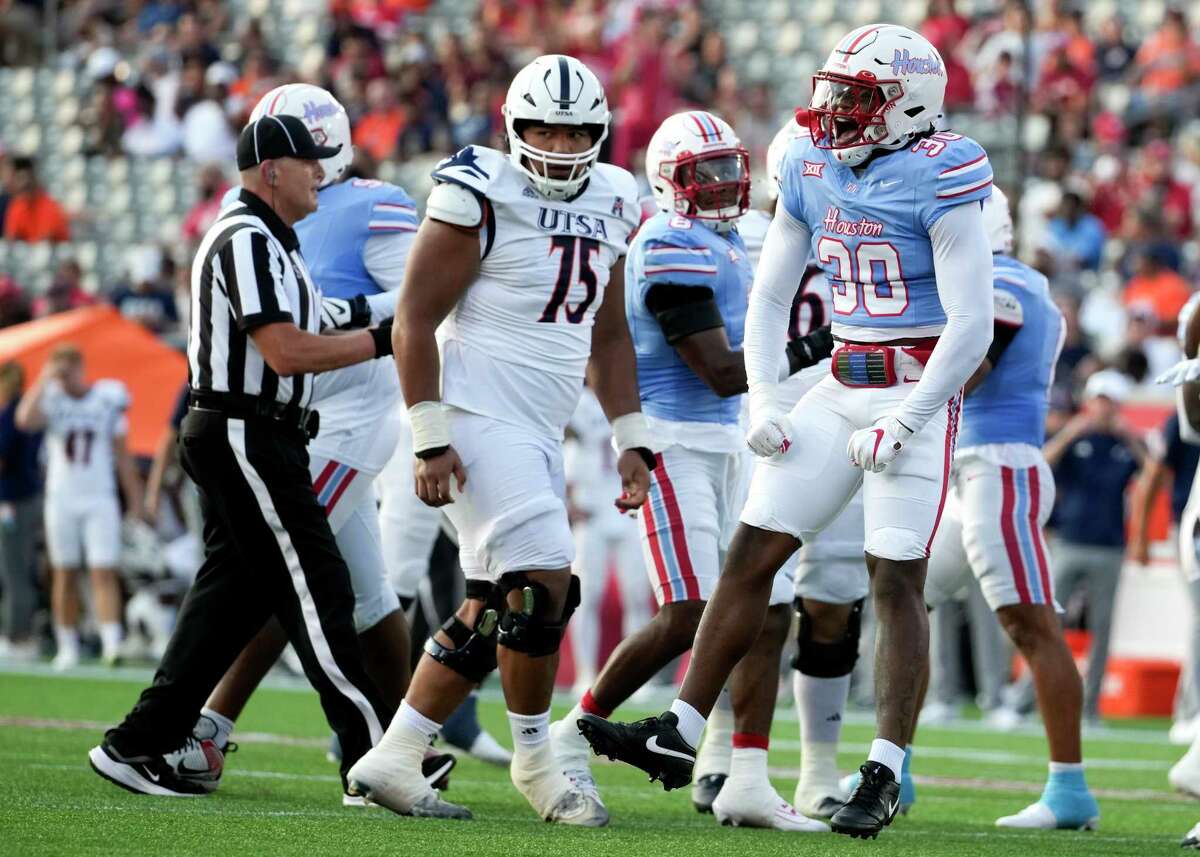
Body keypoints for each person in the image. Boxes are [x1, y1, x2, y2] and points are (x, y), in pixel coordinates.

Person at [577, 24, 995, 841]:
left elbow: (972, 325)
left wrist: (909, 419)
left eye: (856, 97)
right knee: (752, 554)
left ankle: (881, 770)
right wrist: (765, 400)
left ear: (908, 104)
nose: (834, 110)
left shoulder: (943, 173)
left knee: (894, 577)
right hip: (839, 383)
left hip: (916, 388)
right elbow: (770, 298)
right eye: (834, 91)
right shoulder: (809, 163)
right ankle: (682, 729)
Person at [345, 54, 651, 825]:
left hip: (541, 425)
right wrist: (428, 435)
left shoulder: (616, 197)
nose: (557, 141)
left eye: (575, 128)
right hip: (475, 413)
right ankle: (538, 760)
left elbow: (609, 336)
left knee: (495, 599)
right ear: (514, 128)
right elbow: (412, 318)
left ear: (600, 133)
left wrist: (629, 435)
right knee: (545, 575)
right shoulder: (478, 188)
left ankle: (395, 753)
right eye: (544, 125)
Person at [154, 84, 453, 796]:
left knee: (276, 571)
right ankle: (407, 739)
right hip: (293, 413)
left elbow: (424, 298)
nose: (296, 160)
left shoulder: (373, 202)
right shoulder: (257, 215)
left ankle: (210, 728)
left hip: (347, 416)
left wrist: (344, 316)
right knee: (369, 596)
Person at [87, 113, 396, 799]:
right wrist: (388, 341)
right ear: (272, 171)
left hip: (256, 430)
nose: (322, 171)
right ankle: (375, 756)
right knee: (320, 584)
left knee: (229, 602)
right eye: (309, 160)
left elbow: (330, 317)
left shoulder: (275, 242)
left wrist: (409, 303)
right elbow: (286, 348)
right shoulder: (245, 238)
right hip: (245, 428)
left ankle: (138, 741)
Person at [555, 110, 831, 832]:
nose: (723, 183)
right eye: (704, 172)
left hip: (732, 446)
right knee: (690, 611)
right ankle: (572, 731)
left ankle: (745, 774)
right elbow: (718, 372)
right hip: (674, 439)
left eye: (728, 167)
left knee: (768, 614)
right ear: (668, 180)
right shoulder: (668, 243)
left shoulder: (729, 239)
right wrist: (820, 345)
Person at [923, 186, 1100, 830]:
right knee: (908, 597)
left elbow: (973, 365)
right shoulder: (1007, 278)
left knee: (1032, 624)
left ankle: (1069, 790)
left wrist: (899, 406)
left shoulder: (1004, 283)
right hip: (967, 470)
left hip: (1002, 464)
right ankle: (895, 766)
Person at [15, 345, 143, 669]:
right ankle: (67, 643)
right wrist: (45, 377)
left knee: (103, 569)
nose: (66, 373)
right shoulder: (51, 399)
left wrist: (136, 499)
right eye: (61, 366)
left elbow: (123, 455)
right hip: (62, 497)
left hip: (99, 495)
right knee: (65, 571)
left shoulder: (106, 398)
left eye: (70, 366)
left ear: (82, 366)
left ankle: (112, 641)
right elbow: (24, 420)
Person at [1036, 369, 1146, 723]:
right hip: (1069, 540)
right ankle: (1028, 699)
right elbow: (1043, 462)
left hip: (1110, 546)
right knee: (1045, 622)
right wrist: (1071, 433)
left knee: (1102, 629)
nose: (1103, 409)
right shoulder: (1073, 439)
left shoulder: (1123, 446)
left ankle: (1090, 707)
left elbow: (1151, 473)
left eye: (1109, 403)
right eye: (1099, 401)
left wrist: (1130, 439)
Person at [0, 361, 42, 660]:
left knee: (14, 569)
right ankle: (18, 632)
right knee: (15, 568)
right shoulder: (20, 410)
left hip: (14, 498)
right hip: (21, 495)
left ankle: (19, 635)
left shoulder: (13, 412)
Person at [2, 156, 69, 243]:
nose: (24, 185)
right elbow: (11, 238)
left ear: (34, 179)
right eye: (19, 179)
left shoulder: (50, 206)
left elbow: (48, 239)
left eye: (27, 181)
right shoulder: (17, 206)